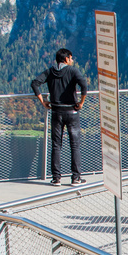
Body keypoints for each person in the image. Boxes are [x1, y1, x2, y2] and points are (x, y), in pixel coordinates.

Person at [32, 48, 90, 186]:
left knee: (56, 145)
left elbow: (35, 83)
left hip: (56, 112)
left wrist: (43, 101)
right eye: (71, 58)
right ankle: (76, 178)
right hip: (72, 112)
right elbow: (84, 85)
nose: (72, 60)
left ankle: (56, 178)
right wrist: (81, 102)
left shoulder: (50, 71)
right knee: (75, 145)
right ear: (66, 59)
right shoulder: (73, 71)